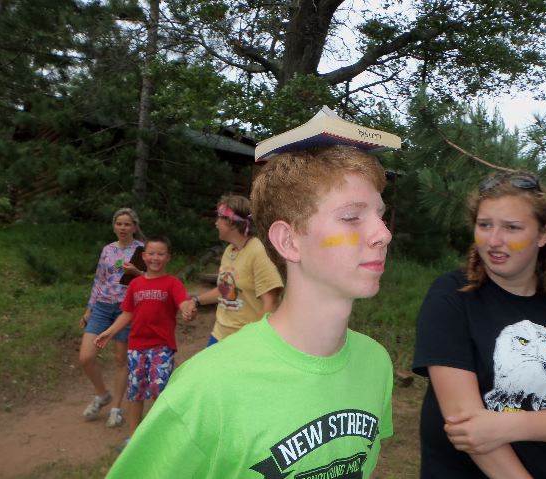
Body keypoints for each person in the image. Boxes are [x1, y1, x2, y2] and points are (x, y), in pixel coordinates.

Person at [106, 145, 395, 478]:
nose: (384, 234)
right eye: (351, 217)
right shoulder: (205, 390)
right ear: (288, 241)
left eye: (380, 215)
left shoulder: (376, 364)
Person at [412, 171, 546, 478]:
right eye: (484, 225)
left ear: (544, 234)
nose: (494, 241)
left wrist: (507, 425)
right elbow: (468, 429)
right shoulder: (451, 297)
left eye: (512, 227)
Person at [94, 235, 193, 449]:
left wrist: (188, 308)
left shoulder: (172, 283)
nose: (155, 258)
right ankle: (134, 437)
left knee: (159, 389)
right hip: (137, 347)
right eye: (151, 254)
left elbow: (183, 302)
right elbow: (127, 314)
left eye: (160, 254)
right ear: (144, 256)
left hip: (162, 346)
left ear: (168, 257)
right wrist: (109, 332)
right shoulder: (135, 284)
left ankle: (164, 435)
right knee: (135, 392)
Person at [187, 194, 283, 346]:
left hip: (244, 341)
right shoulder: (229, 250)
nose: (216, 223)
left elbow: (270, 303)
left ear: (231, 222)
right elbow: (225, 290)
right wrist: (196, 300)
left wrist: (260, 343)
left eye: (219, 217)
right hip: (219, 334)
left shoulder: (259, 252)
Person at [79, 207, 145, 428]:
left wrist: (136, 272)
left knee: (120, 359)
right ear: (114, 226)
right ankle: (102, 394)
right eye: (119, 224)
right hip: (102, 307)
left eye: (127, 224)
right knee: (86, 357)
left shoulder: (142, 250)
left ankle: (116, 408)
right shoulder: (108, 250)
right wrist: (89, 309)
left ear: (134, 227)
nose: (123, 228)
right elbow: (99, 280)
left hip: (127, 309)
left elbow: (151, 279)